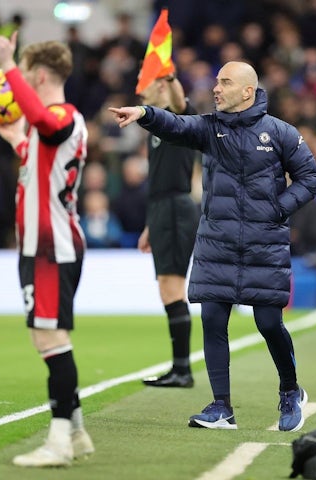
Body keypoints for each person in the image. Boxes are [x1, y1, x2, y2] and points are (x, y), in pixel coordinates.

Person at [110, 61, 316, 431]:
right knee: (212, 319)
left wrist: (278, 209)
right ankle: (221, 406)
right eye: (217, 82)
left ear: (247, 92)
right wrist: (144, 113)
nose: (216, 89)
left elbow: (310, 176)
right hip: (216, 243)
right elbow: (175, 124)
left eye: (225, 82)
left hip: (264, 243)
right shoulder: (209, 128)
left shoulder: (281, 132)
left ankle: (290, 390)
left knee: (269, 322)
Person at [0, 32, 94, 467]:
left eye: (25, 80)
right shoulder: (50, 127)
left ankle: (59, 443)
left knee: (50, 338)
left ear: (40, 75)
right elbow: (38, 150)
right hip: (44, 245)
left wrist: (7, 64)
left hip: (51, 246)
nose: (17, 89)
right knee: (44, 336)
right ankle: (78, 432)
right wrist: (14, 138)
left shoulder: (61, 116)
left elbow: (49, 128)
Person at [135, 73, 200, 388]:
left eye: (143, 79)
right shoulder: (153, 126)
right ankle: (179, 368)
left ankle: (182, 370)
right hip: (162, 210)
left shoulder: (179, 120)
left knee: (172, 287)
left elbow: (181, 102)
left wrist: (171, 74)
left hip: (175, 209)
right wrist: (150, 223)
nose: (137, 85)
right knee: (166, 287)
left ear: (160, 86)